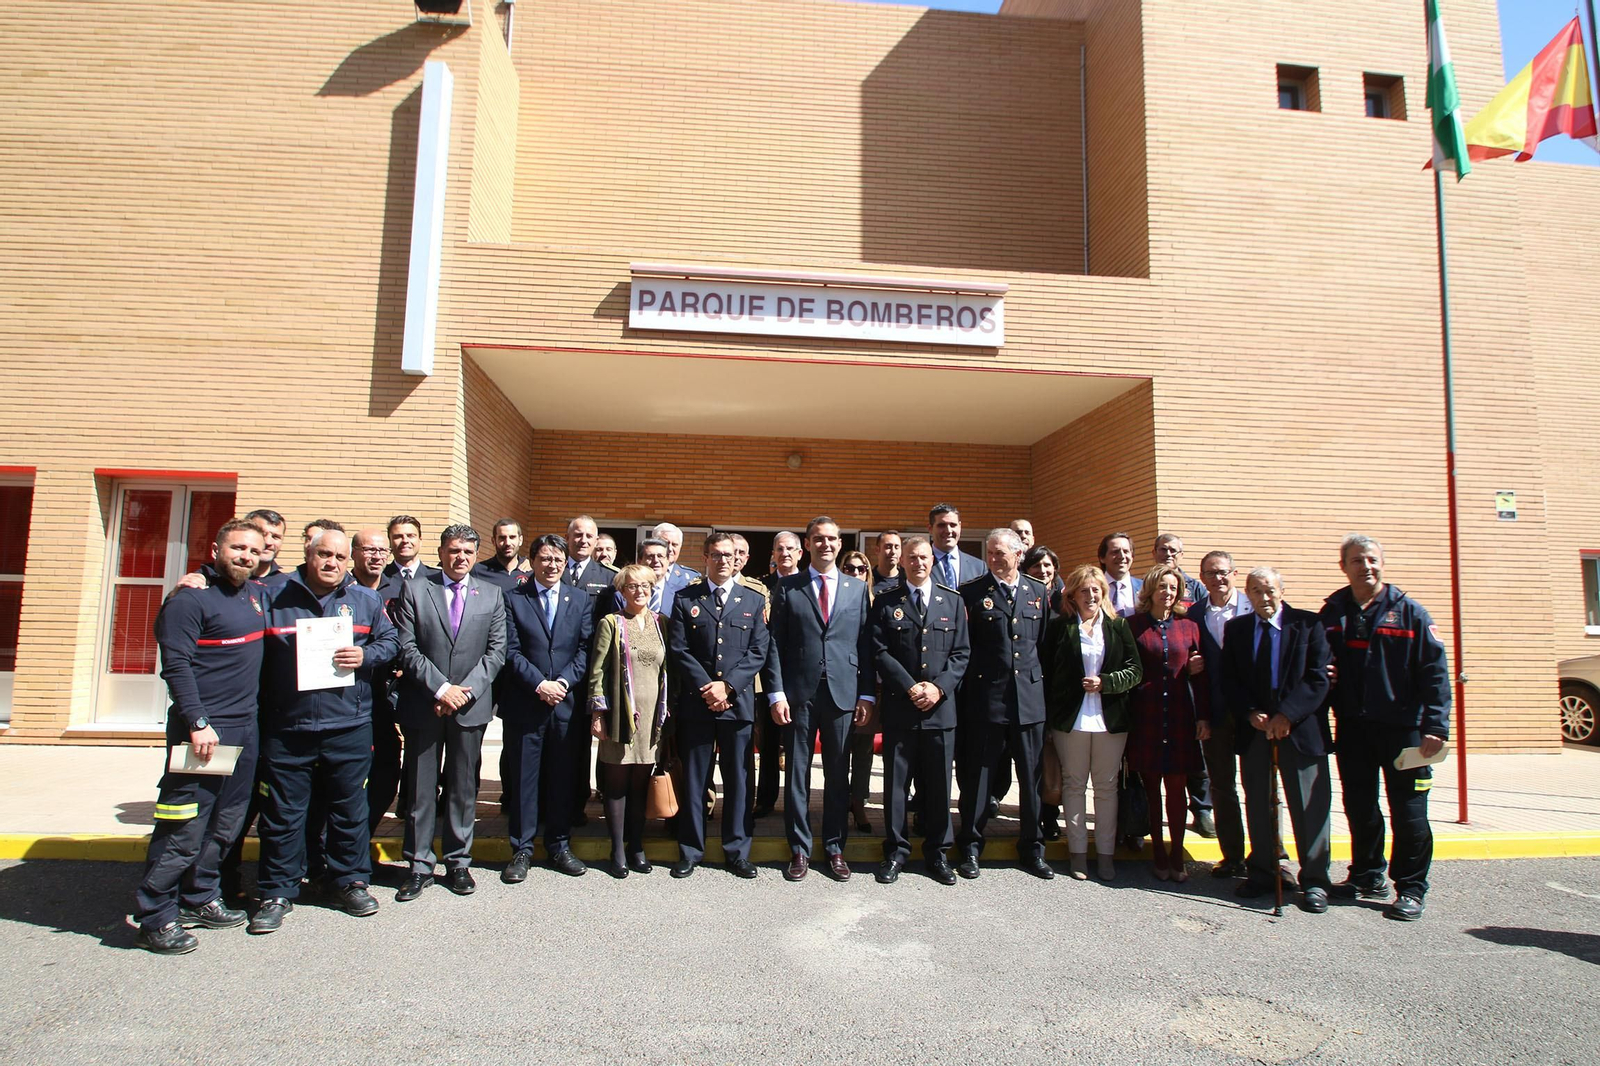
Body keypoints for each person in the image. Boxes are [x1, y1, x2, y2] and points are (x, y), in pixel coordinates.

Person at [248, 529, 399, 934]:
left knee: (349, 810)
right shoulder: (272, 596)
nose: (332, 563)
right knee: (283, 815)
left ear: (348, 561)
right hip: (289, 726)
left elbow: (391, 642)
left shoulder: (365, 601)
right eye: (324, 555)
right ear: (308, 555)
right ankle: (277, 891)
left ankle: (349, 880)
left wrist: (367, 655)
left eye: (338, 557)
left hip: (348, 725)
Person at [133, 519, 266, 954]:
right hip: (205, 731)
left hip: (245, 728)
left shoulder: (252, 594)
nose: (245, 556)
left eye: (253, 550)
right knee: (184, 826)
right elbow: (175, 666)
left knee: (227, 823)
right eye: (237, 548)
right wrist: (196, 722)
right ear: (215, 549)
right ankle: (156, 916)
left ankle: (200, 897)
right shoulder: (189, 601)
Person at [1321, 534, 1450, 921]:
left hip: (1405, 732)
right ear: (1344, 566)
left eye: (1372, 559)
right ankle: (1366, 874)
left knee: (1409, 813)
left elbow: (1435, 673)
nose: (1366, 566)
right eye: (1358, 560)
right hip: (1354, 730)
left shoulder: (1410, 613)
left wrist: (1436, 726)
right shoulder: (1334, 612)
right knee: (1360, 808)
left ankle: (1410, 888)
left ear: (1382, 563)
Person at [392, 524, 507, 902]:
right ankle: (419, 865)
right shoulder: (415, 590)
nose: (461, 558)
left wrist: (461, 693)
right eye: (454, 550)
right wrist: (441, 689)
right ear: (441, 552)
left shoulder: (490, 595)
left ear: (476, 556)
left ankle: (458, 861)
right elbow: (407, 648)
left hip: (470, 707)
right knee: (421, 791)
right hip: (426, 704)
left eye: (468, 552)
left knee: (462, 790)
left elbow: (495, 653)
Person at [763, 516, 875, 882]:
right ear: (807, 545)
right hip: (798, 694)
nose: (825, 544)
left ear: (839, 544)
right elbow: (774, 643)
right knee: (796, 774)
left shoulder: (857, 590)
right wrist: (776, 692)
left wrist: (866, 693)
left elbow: (864, 645)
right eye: (818, 539)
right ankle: (799, 848)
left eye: (831, 539)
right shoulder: (788, 587)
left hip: (842, 692)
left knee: (837, 775)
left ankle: (834, 847)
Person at [1222, 567, 1334, 913]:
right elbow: (1230, 678)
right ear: (1248, 595)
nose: (1264, 597)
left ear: (1281, 591)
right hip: (1256, 731)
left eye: (1269, 590)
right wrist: (1250, 712)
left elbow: (1318, 677)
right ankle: (1263, 872)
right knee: (1258, 802)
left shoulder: (1308, 625)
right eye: (1256, 591)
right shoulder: (1237, 629)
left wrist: (1287, 714)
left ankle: (1314, 880)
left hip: (1299, 731)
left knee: (1309, 807)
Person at [668, 533, 771, 879]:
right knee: (696, 780)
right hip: (698, 705)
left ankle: (737, 850)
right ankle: (691, 850)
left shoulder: (754, 600)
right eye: (716, 555)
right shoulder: (686, 599)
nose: (723, 561)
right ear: (705, 558)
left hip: (737, 704)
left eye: (729, 555)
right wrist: (706, 687)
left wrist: (727, 686)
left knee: (739, 780)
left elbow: (758, 651)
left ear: (738, 560)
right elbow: (680, 650)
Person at [954, 527, 1054, 880]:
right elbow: (965, 647)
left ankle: (1032, 847)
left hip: (1028, 701)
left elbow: (1039, 646)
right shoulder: (971, 593)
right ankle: (969, 846)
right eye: (991, 553)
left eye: (1001, 553)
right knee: (979, 778)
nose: (995, 558)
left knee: (1031, 779)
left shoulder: (1038, 592)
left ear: (1018, 554)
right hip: (986, 699)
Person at [870, 535, 969, 885]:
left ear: (933, 561)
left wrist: (937, 688)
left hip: (940, 711)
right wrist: (910, 686)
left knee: (940, 786)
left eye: (924, 557)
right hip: (902, 708)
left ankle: (937, 854)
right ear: (903, 561)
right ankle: (896, 852)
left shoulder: (952, 602)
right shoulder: (885, 602)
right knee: (896, 787)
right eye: (911, 558)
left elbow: (961, 654)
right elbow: (879, 651)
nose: (918, 563)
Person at [500, 533, 594, 881]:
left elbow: (586, 649)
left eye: (558, 559)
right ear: (533, 562)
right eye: (545, 558)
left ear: (565, 563)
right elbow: (510, 650)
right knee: (525, 780)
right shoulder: (513, 599)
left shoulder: (581, 599)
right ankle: (522, 849)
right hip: (527, 702)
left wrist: (564, 683)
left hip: (565, 704)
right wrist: (539, 683)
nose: (552, 565)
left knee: (561, 779)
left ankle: (558, 844)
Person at [1047, 564, 1141, 881]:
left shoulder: (1118, 627)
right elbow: (1048, 674)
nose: (1091, 595)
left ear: (1104, 593)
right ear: (1072, 595)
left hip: (1110, 720)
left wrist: (1107, 682)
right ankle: (1077, 855)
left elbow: (1135, 670)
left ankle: (1105, 855)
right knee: (1073, 786)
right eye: (1084, 590)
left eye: (1096, 589)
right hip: (1070, 720)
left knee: (1106, 788)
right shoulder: (1060, 628)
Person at [587, 562, 671, 879]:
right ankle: (618, 850)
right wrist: (598, 713)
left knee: (640, 785)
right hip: (622, 717)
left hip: (652, 720)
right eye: (633, 586)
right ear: (622, 591)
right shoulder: (611, 622)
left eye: (645, 586)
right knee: (617, 785)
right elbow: (597, 671)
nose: (640, 591)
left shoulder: (662, 623)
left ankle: (636, 845)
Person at [1126, 563, 1209, 882]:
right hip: (1145, 713)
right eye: (1162, 586)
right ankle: (1157, 849)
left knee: (1177, 788)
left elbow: (1199, 677)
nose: (1168, 592)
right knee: (1151, 788)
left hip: (1179, 713)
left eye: (1173, 587)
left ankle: (1177, 853)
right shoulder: (1132, 625)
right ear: (1150, 591)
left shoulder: (1189, 627)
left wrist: (1203, 717)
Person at [1191, 550, 1253, 878]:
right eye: (1211, 573)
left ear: (1234, 573)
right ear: (1202, 578)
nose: (1218, 578)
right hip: (1214, 713)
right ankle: (1232, 856)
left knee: (1261, 786)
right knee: (1222, 786)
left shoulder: (1253, 607)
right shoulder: (1194, 614)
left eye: (1224, 572)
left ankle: (1271, 855)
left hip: (1253, 714)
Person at [351, 529, 407, 837]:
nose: (376, 556)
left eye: (381, 551)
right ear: (354, 553)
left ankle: (361, 843)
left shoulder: (401, 588)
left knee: (387, 770)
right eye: (368, 550)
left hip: (385, 696)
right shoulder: (341, 590)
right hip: (344, 698)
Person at [753, 530, 804, 818]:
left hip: (800, 672)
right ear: (773, 554)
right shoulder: (762, 587)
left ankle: (797, 803)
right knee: (769, 741)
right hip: (768, 674)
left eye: (790, 549)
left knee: (798, 743)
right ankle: (766, 799)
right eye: (779, 550)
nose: (784, 554)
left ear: (800, 553)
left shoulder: (808, 584)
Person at [1024, 544, 1065, 842]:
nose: (1043, 571)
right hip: (1028, 687)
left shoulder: (1066, 602)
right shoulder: (1024, 597)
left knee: (1051, 762)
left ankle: (1049, 817)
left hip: (1056, 688)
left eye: (1048, 566)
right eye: (1037, 566)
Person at [840, 549, 879, 834]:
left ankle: (859, 802)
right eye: (849, 568)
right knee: (839, 748)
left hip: (868, 685)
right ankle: (840, 802)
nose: (855, 573)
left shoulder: (879, 603)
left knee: (863, 750)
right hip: (840, 683)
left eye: (860, 568)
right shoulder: (836, 600)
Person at [928, 503, 986, 589]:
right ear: (930, 529)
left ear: (960, 526)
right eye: (941, 525)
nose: (948, 530)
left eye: (953, 525)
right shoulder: (918, 564)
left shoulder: (979, 567)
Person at [565, 514, 619, 595]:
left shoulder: (609, 575)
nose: (583, 540)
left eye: (589, 536)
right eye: (578, 535)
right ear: (567, 538)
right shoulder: (554, 570)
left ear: (596, 541)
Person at [473, 518, 532, 592]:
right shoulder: (478, 571)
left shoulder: (531, 571)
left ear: (520, 540)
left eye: (512, 537)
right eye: (502, 538)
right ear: (493, 541)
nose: (507, 543)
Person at [1099, 532, 1141, 618]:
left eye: (1126, 551)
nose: (1122, 556)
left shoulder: (1144, 588)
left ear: (1132, 556)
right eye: (1115, 552)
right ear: (1102, 558)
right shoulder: (1093, 588)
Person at [383, 515, 436, 582]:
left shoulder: (437, 578)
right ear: (389, 542)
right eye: (398, 537)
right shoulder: (380, 577)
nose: (405, 541)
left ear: (420, 541)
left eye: (410, 536)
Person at [244, 508, 286, 579]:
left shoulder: (286, 586)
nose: (268, 542)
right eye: (262, 534)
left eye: (275, 537)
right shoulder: (224, 580)